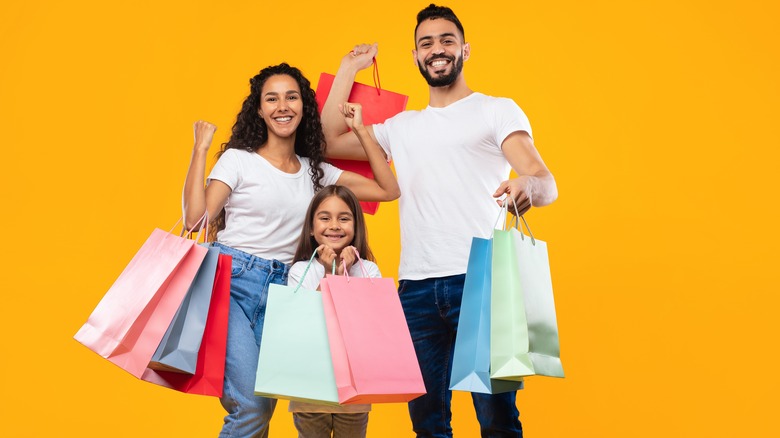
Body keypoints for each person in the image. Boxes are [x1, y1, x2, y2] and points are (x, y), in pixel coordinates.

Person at [320, 4, 558, 437]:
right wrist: (347, 68)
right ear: (415, 57)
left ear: (464, 49)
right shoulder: (400, 127)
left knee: (497, 419)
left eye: (447, 40)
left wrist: (527, 185)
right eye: (426, 43)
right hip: (415, 289)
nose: (437, 49)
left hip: (481, 281)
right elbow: (327, 139)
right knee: (428, 424)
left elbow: (546, 182)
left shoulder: (496, 110)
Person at [182, 63, 399, 438]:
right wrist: (200, 149)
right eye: (272, 98)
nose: (282, 106)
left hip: (287, 289)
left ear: (303, 107)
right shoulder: (238, 159)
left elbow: (387, 190)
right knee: (250, 405)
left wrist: (362, 130)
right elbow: (195, 218)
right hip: (232, 282)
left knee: (266, 403)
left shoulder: (316, 171)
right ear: (260, 110)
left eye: (291, 97)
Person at [286, 184, 381, 438]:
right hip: (309, 384)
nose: (335, 225)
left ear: (356, 226)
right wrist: (330, 275)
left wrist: (344, 274)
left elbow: (368, 324)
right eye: (325, 218)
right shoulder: (300, 271)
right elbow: (306, 323)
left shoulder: (368, 271)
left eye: (344, 218)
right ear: (311, 227)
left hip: (355, 385)